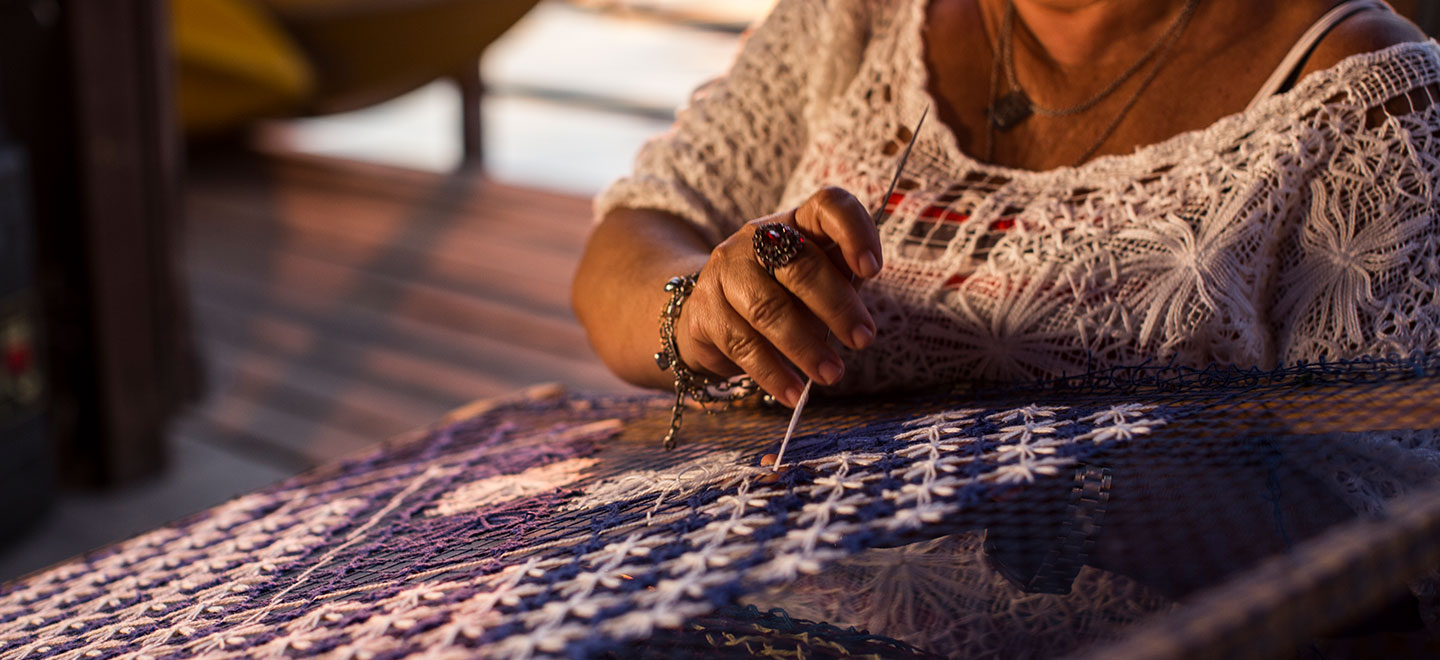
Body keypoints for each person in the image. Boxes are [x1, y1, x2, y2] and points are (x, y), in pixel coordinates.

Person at [573, 0, 1440, 654]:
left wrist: (1033, 488)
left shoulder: (1361, 98)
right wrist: (708, 307)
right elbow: (633, 238)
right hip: (745, 620)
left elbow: (1390, 546)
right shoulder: (858, 19)